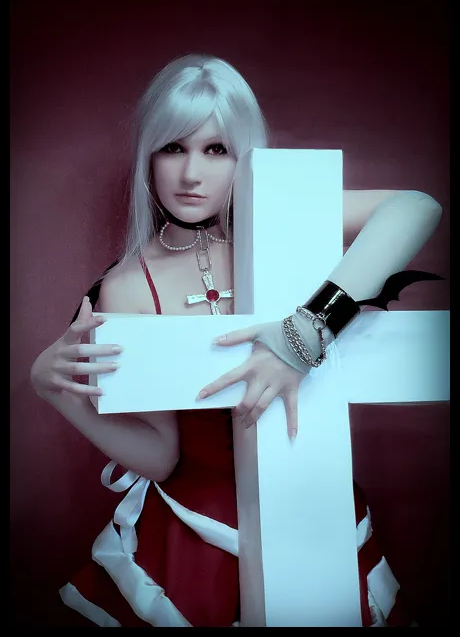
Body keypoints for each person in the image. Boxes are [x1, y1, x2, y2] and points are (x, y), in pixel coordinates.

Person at [30, 54, 442, 627]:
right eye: (173, 148)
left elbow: (417, 207)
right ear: (149, 156)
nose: (190, 174)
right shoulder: (127, 287)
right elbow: (161, 456)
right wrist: (56, 392)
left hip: (310, 498)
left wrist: (305, 332)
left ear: (244, 154)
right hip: (195, 534)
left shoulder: (290, 229)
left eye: (216, 149)